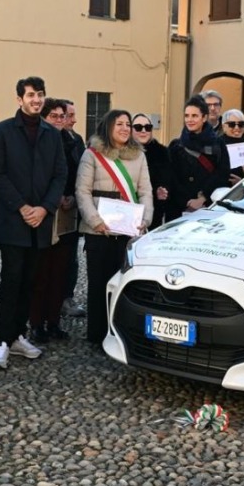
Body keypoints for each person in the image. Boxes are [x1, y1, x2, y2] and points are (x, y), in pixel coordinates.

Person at [0, 76, 66, 369]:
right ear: (19, 99)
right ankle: (2, 341)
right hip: (13, 221)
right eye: (31, 95)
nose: (36, 99)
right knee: (11, 281)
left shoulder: (51, 134)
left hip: (40, 223)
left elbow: (60, 174)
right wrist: (21, 206)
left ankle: (18, 335)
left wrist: (44, 208)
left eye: (40, 94)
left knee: (31, 281)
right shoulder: (4, 131)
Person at [75, 109, 153, 347]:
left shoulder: (139, 156)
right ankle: (97, 334)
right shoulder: (92, 154)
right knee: (99, 283)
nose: (125, 128)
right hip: (100, 231)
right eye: (119, 124)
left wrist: (146, 219)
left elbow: (145, 191)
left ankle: (121, 333)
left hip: (128, 231)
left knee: (124, 283)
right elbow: (82, 191)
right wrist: (95, 220)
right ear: (108, 126)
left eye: (128, 124)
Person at [28, 98, 76, 343]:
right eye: (54, 116)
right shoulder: (37, 142)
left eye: (62, 116)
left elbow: (77, 175)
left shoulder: (74, 142)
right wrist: (50, 200)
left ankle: (54, 321)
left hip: (67, 215)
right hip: (43, 214)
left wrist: (72, 197)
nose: (60, 120)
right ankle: (36, 323)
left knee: (60, 274)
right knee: (41, 274)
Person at [169, 95, 230, 214]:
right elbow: (171, 178)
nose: (189, 120)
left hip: (209, 207)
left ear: (204, 117)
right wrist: (187, 201)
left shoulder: (218, 144)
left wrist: (203, 198)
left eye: (194, 116)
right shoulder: (176, 146)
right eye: (187, 116)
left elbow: (222, 174)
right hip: (179, 209)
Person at [59, 99, 87, 319]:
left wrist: (75, 198)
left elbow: (82, 174)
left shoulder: (77, 140)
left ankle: (66, 297)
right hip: (51, 205)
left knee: (70, 258)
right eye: (69, 115)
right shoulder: (49, 139)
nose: (74, 120)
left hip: (72, 207)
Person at [132, 113, 176, 228]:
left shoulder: (162, 152)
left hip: (153, 212)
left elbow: (167, 179)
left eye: (148, 127)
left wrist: (161, 191)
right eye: (138, 127)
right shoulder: (123, 152)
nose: (143, 131)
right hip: (128, 209)